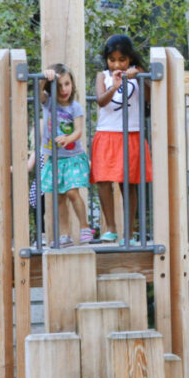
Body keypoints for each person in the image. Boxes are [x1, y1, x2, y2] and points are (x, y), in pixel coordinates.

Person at [92, 34, 150, 241]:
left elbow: (149, 98)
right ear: (107, 59)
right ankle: (110, 227)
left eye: (122, 60)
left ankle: (130, 232)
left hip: (131, 133)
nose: (117, 64)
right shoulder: (103, 76)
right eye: (112, 59)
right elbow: (100, 101)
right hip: (107, 132)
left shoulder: (139, 74)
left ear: (130, 59)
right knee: (103, 180)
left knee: (129, 183)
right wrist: (115, 86)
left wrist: (140, 77)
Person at [28, 64, 93, 245]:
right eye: (59, 85)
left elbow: (79, 131)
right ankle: (64, 234)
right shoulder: (49, 102)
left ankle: (85, 227)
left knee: (72, 192)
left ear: (72, 85)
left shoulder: (75, 107)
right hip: (55, 159)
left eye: (67, 84)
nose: (64, 89)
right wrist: (43, 78)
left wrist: (68, 138)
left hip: (72, 158)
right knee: (59, 197)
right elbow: (38, 93)